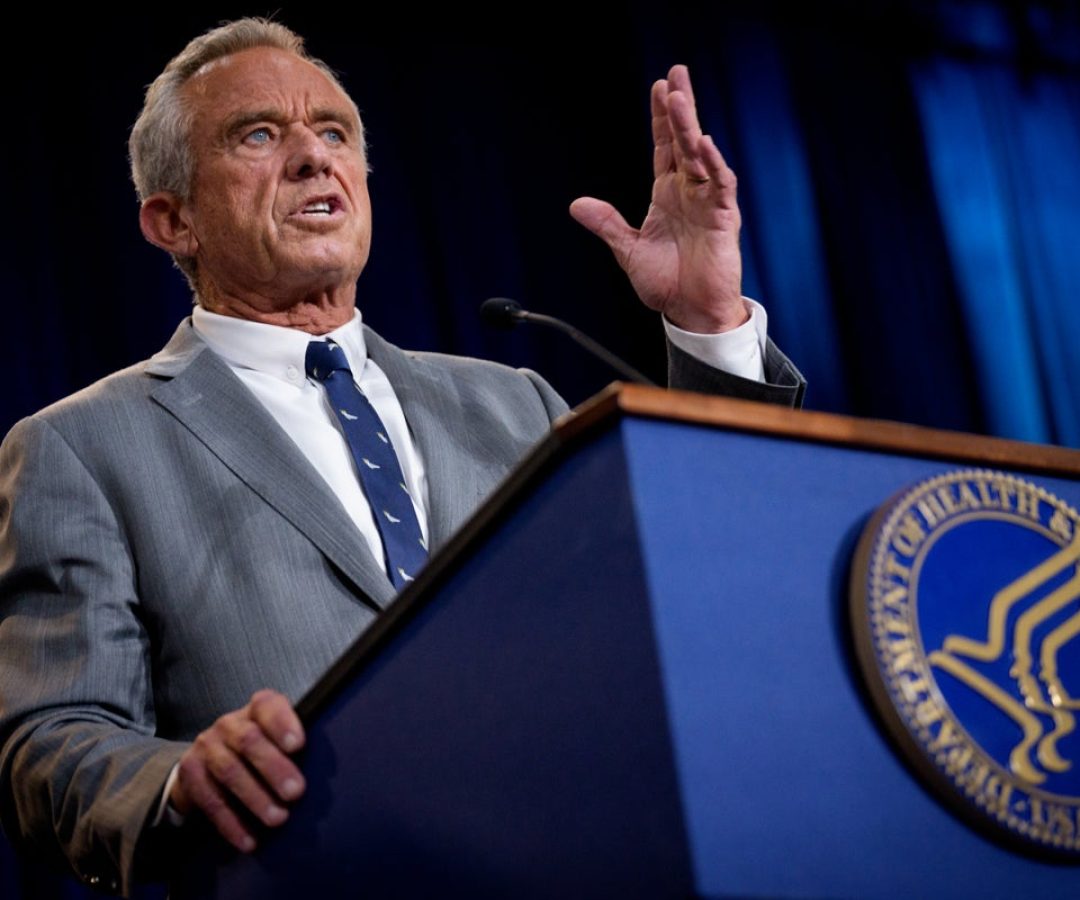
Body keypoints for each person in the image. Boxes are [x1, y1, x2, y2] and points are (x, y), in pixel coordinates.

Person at [0, 17, 804, 897]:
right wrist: (178, 781)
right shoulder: (84, 447)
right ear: (173, 220)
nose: (314, 158)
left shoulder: (517, 404)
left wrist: (708, 322)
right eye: (258, 135)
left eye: (333, 132)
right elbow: (53, 743)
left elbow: (709, 583)